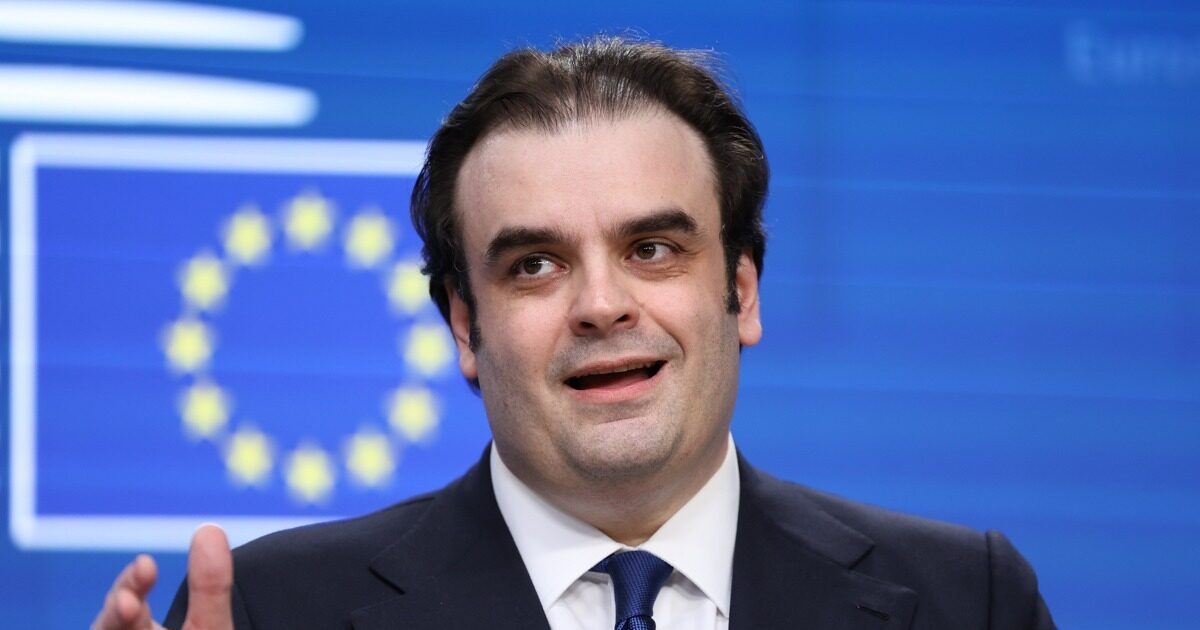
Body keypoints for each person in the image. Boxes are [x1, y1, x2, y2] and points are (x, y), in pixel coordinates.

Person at [92, 36, 1055, 629]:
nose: (601, 304)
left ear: (742, 290)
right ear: (464, 327)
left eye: (653, 248)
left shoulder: (965, 601)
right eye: (535, 265)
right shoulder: (272, 611)